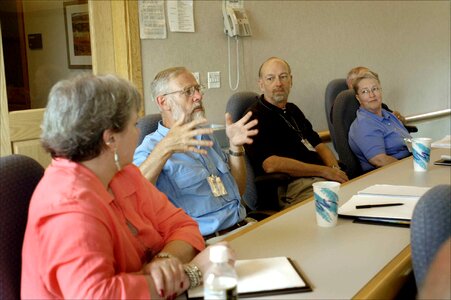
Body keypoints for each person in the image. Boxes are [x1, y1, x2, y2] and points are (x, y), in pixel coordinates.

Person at [21, 73, 234, 299]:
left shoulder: (123, 174)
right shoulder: (68, 204)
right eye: (134, 124)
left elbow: (184, 226)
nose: (139, 132)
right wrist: (188, 274)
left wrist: (164, 263)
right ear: (110, 139)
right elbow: (100, 296)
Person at [133, 67, 258, 239]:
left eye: (198, 89)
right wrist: (166, 148)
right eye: (187, 91)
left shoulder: (205, 136)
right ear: (163, 102)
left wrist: (235, 147)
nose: (198, 96)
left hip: (242, 226)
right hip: (206, 242)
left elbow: (239, 189)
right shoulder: (151, 148)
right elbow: (134, 194)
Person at [244, 57, 348, 209]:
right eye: (270, 78)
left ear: (291, 81)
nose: (278, 83)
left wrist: (335, 171)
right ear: (261, 84)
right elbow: (270, 164)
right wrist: (324, 171)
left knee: (354, 192)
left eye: (283, 77)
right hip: (290, 185)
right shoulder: (253, 117)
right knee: (339, 204)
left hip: (318, 177)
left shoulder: (292, 110)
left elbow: (318, 144)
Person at [348, 71, 412, 172]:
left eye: (375, 89)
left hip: (410, 162)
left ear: (380, 91)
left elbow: (410, 143)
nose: (371, 95)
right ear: (358, 98)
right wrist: (409, 168)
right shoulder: (364, 124)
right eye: (365, 91)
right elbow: (379, 160)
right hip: (389, 173)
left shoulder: (389, 115)